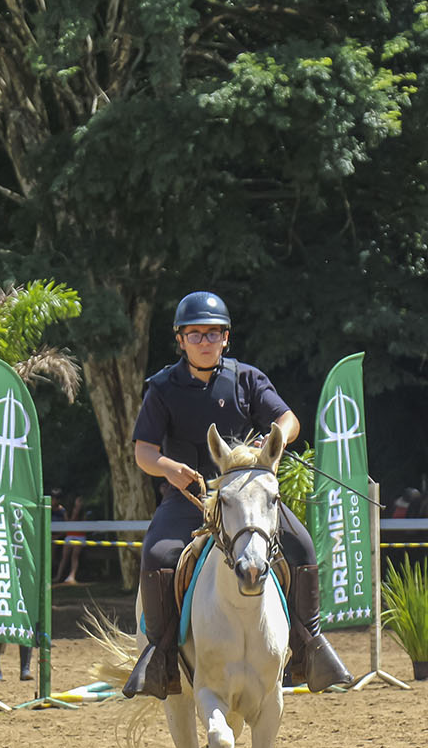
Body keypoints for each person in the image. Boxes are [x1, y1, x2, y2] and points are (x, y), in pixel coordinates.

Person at [125, 290, 353, 699]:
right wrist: (170, 469)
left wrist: (275, 438)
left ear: (226, 338)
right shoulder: (161, 388)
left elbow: (288, 419)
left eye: (213, 334)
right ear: (180, 339)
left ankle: (309, 647)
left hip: (248, 498)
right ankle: (160, 657)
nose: (205, 341)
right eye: (195, 334)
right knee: (157, 555)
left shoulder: (248, 379)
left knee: (301, 546)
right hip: (190, 500)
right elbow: (144, 452)